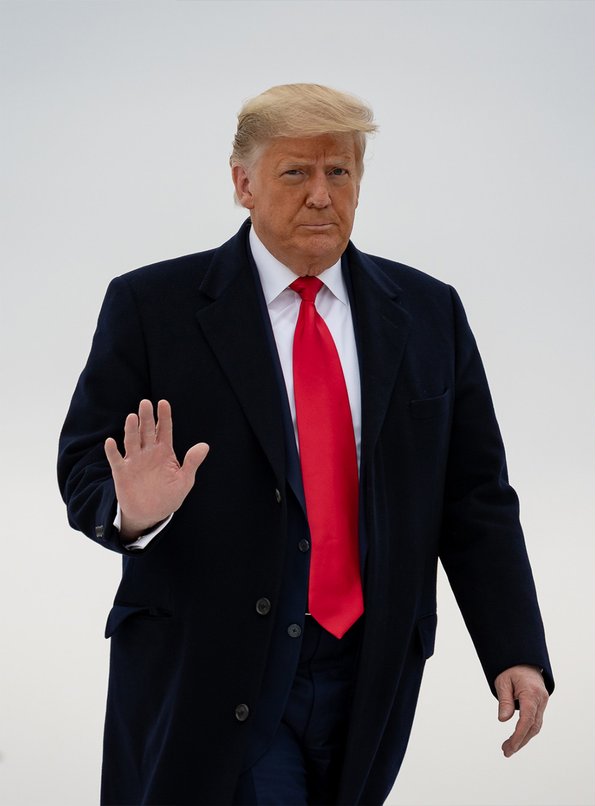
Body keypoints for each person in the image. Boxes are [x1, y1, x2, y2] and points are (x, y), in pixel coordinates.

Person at [57, 83, 553, 805]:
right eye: (296, 173)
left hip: (368, 672)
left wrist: (515, 650)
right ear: (243, 184)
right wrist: (134, 510)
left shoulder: (428, 313)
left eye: (339, 172)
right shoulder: (151, 306)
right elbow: (84, 467)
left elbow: (475, 497)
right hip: (211, 668)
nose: (321, 195)